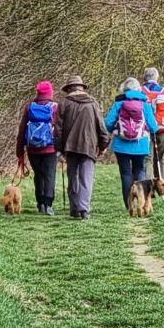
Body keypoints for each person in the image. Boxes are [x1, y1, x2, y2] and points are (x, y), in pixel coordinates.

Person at [57, 75, 110, 220]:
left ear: (69, 89)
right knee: (86, 177)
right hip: (89, 145)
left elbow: (58, 129)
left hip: (70, 146)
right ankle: (84, 209)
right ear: (82, 88)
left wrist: (60, 149)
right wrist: (103, 145)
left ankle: (74, 208)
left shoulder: (64, 103)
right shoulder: (93, 103)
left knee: (73, 177)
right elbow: (101, 126)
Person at [106, 78, 159, 210]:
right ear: (138, 90)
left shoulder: (119, 104)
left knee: (125, 173)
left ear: (124, 90)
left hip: (121, 145)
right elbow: (153, 127)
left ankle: (129, 205)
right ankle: (141, 203)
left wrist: (114, 129)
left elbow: (107, 123)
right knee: (140, 171)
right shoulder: (145, 105)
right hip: (141, 145)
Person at [15, 81, 60, 215]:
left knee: (38, 175)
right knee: (49, 175)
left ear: (38, 93)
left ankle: (40, 203)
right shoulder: (55, 107)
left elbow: (22, 128)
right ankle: (48, 204)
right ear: (50, 93)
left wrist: (19, 151)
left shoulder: (30, 107)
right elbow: (59, 128)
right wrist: (62, 146)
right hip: (50, 148)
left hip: (32, 148)